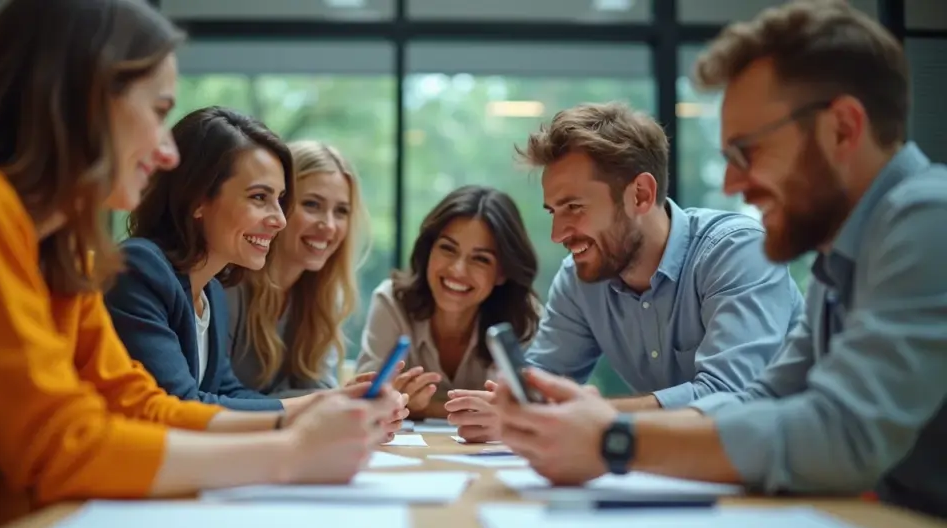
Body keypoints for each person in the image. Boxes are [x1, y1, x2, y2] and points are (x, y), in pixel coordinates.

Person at [0, 0, 399, 528]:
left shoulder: (65, 249)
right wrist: (288, 453)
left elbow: (139, 405)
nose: (169, 152)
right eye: (159, 111)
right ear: (86, 99)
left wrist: (298, 421)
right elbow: (59, 443)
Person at [493, 0, 947, 519]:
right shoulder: (840, 253)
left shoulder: (929, 219)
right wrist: (592, 427)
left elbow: (840, 433)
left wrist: (614, 439)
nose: (732, 183)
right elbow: (761, 400)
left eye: (747, 152)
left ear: (842, 129)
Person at [445, 101, 805, 442]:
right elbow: (541, 386)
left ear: (641, 196)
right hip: (676, 471)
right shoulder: (579, 279)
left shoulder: (736, 251)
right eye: (554, 211)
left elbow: (728, 396)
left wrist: (587, 414)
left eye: (574, 206)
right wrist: (509, 407)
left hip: (793, 473)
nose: (558, 234)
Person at [104, 108, 407, 433]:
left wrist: (338, 406)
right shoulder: (140, 267)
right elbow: (179, 404)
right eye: (259, 197)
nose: (279, 219)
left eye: (279, 199)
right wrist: (321, 406)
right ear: (196, 199)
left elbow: (227, 393)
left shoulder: (210, 290)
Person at [357, 185, 542, 420]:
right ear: (429, 251)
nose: (457, 270)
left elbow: (529, 411)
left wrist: (420, 407)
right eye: (447, 248)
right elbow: (364, 401)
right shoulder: (391, 302)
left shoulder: (523, 319)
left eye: (480, 259)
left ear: (502, 273)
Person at [227, 140, 377, 397]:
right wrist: (330, 399)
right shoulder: (230, 283)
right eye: (312, 205)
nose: (329, 225)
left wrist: (351, 399)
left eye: (341, 211)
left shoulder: (323, 295)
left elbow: (317, 387)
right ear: (278, 205)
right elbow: (214, 396)